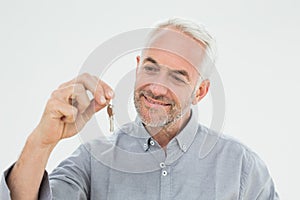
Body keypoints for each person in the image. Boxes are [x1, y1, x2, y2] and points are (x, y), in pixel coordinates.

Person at [1, 18, 279, 200]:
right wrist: (42, 140)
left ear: (201, 91)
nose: (157, 87)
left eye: (178, 76)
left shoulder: (241, 167)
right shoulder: (92, 159)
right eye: (151, 67)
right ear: (137, 66)